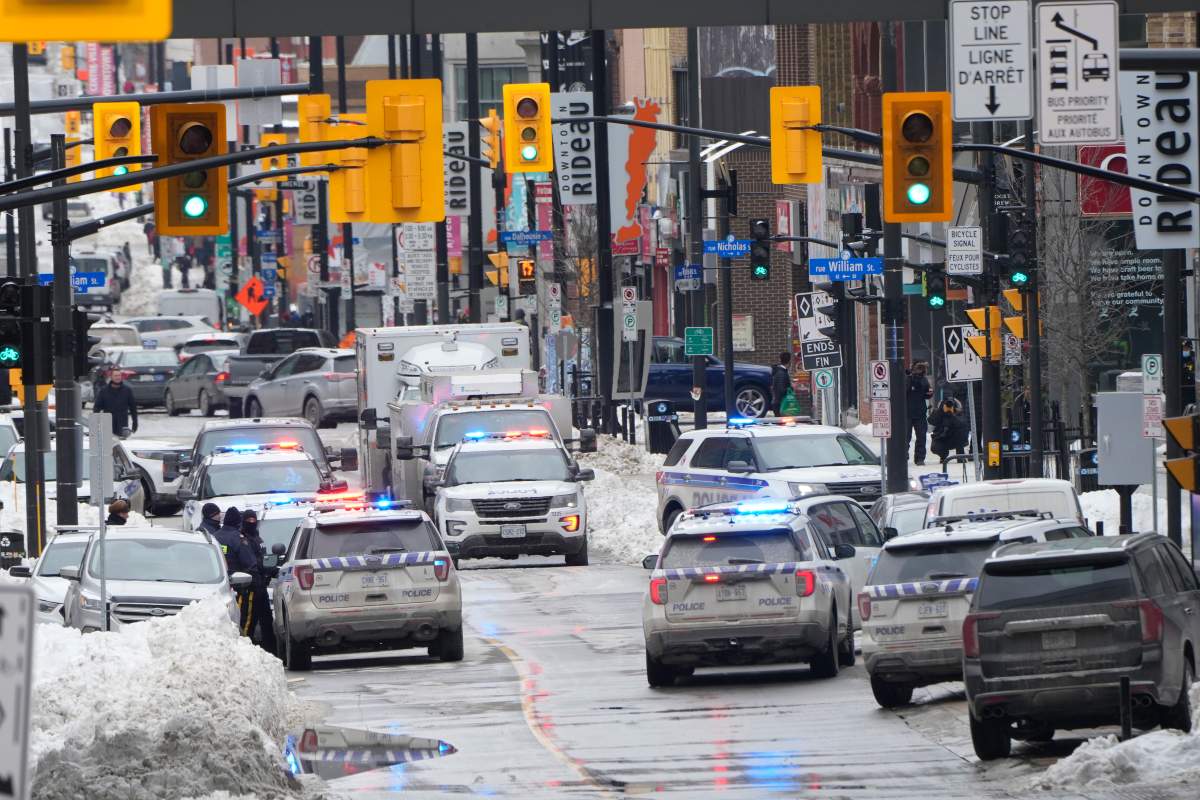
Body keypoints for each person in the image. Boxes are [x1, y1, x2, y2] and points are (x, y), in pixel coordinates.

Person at [240, 510, 276, 652]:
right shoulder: (243, 539)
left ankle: (271, 650)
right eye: (248, 520)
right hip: (251, 587)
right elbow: (253, 562)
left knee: (267, 620)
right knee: (250, 620)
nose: (251, 522)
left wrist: (271, 569)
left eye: (253, 520)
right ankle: (247, 649)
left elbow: (264, 557)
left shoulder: (257, 537)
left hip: (262, 585)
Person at [93, 368, 138, 437]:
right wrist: (96, 424)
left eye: (119, 375)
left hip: (122, 422)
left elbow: (133, 408)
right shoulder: (104, 391)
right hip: (108, 422)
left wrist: (135, 422)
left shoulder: (127, 390)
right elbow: (97, 407)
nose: (118, 377)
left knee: (121, 441)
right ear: (111, 377)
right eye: (115, 376)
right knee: (108, 441)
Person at [929, 397, 971, 470]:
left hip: (955, 438)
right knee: (935, 448)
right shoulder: (939, 412)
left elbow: (962, 424)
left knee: (960, 432)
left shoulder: (958, 413)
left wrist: (952, 415)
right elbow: (931, 421)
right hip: (942, 437)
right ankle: (943, 455)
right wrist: (940, 412)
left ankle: (960, 456)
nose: (949, 406)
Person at [906, 361, 933, 465]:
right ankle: (904, 456)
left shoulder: (924, 380)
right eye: (918, 368)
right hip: (907, 413)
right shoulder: (907, 378)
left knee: (921, 437)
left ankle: (920, 458)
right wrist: (911, 378)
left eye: (922, 369)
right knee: (906, 437)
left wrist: (930, 393)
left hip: (920, 413)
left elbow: (927, 394)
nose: (920, 371)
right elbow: (904, 390)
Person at [770, 351, 792, 417]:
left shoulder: (779, 371)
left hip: (777, 403)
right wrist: (791, 388)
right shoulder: (781, 373)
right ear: (789, 362)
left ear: (780, 360)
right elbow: (781, 390)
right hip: (781, 405)